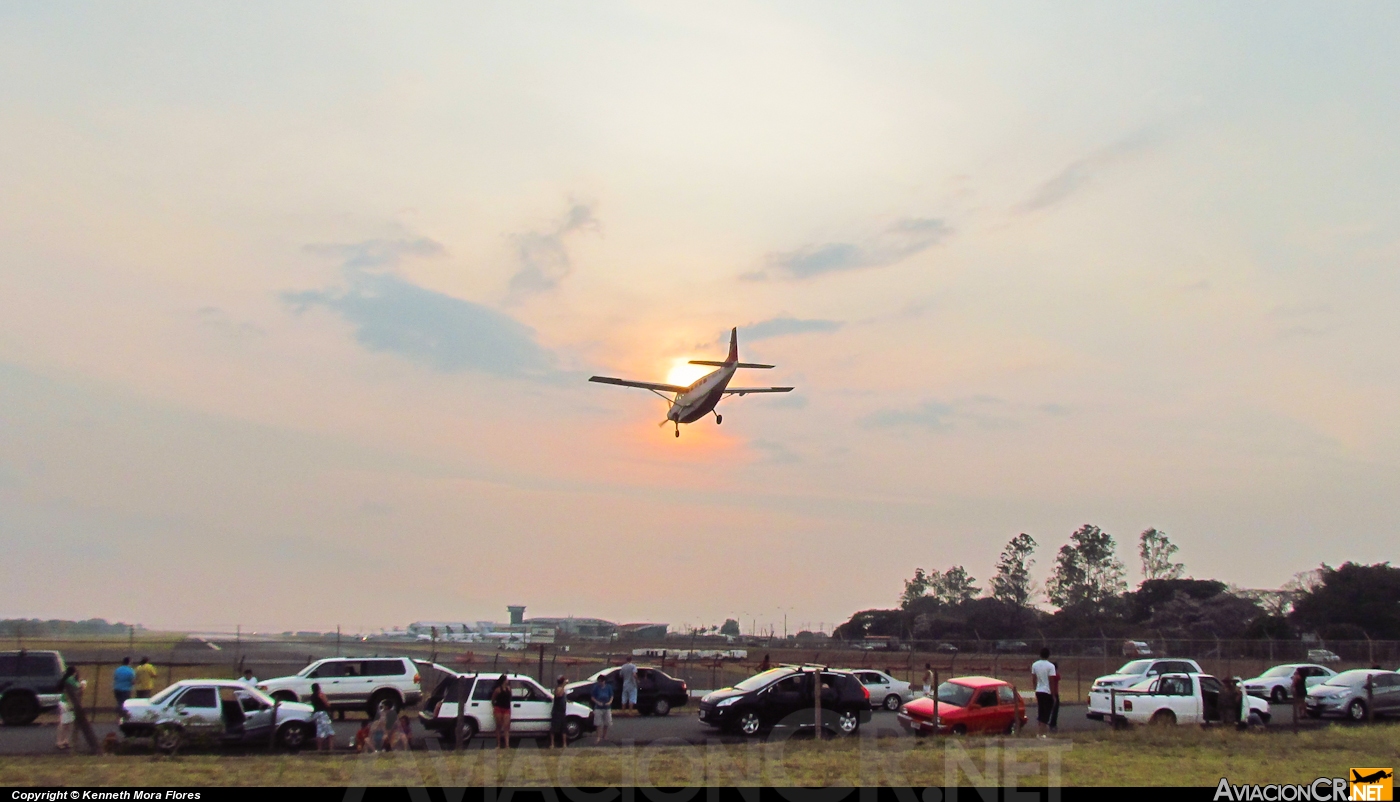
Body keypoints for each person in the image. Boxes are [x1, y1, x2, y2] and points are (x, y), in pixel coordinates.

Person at [1030, 648, 1057, 739]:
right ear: (1048, 655)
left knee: (1041, 710)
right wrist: (1053, 695)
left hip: (1039, 690)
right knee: (1047, 712)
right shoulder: (1051, 666)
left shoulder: (1035, 665)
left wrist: (1035, 688)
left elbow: (1034, 678)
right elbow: (1052, 681)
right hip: (1047, 691)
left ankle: (1039, 732)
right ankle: (1042, 733)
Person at [55, 667, 82, 751]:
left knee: (68, 722)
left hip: (69, 703)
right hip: (66, 703)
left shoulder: (69, 679)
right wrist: (82, 684)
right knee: (63, 723)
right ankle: (59, 741)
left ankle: (65, 740)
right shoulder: (70, 679)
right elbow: (78, 686)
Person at [310, 683, 334, 751]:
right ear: (319, 688)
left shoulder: (312, 696)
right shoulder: (320, 695)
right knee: (330, 733)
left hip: (316, 714)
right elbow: (327, 704)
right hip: (323, 714)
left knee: (319, 732)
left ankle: (319, 748)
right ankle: (330, 749)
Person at [591, 673, 614, 744]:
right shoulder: (596, 687)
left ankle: (604, 736)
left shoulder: (608, 687)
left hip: (607, 707)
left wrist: (609, 702)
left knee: (607, 722)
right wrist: (597, 702)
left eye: (601, 681)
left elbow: (611, 696)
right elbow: (592, 697)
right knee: (598, 723)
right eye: (599, 681)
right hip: (598, 707)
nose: (600, 683)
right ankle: (598, 737)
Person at [491, 675, 513, 749]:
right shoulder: (498, 690)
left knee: (506, 726)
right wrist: (495, 706)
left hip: (506, 708)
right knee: (499, 726)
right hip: (499, 708)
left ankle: (507, 745)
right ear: (503, 680)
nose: (508, 681)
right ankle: (498, 744)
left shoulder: (509, 689)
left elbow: (510, 698)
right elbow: (493, 699)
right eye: (506, 679)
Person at [550, 676, 569, 748]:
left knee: (563, 728)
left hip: (562, 711)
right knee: (554, 728)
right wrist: (564, 685)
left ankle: (564, 744)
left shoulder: (562, 689)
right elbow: (558, 695)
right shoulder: (558, 688)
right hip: (557, 711)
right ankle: (552, 744)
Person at [1048, 660, 1061, 733]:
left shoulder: (1049, 675)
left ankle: (1049, 723)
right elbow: (1058, 677)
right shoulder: (1056, 675)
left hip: (1048, 692)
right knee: (1055, 710)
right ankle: (1053, 724)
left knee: (1049, 710)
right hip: (1055, 693)